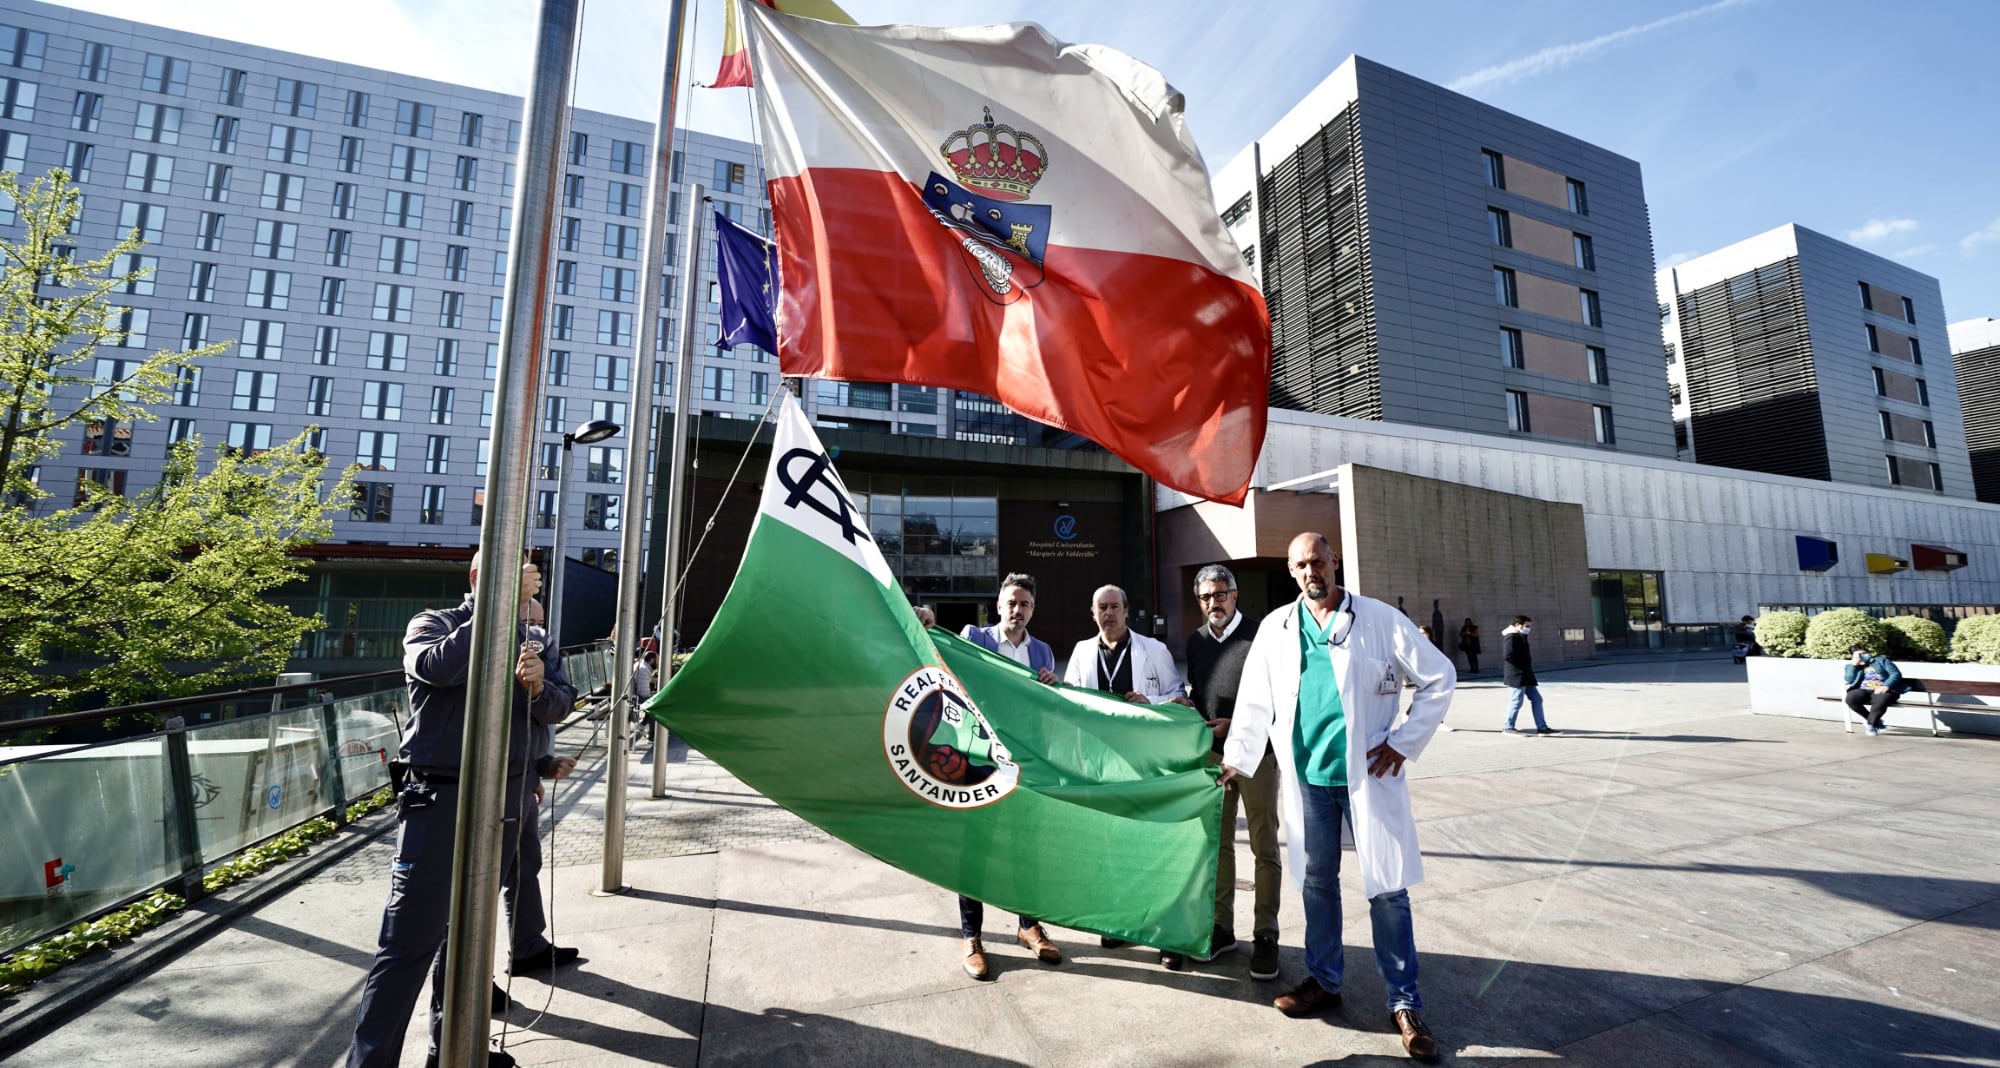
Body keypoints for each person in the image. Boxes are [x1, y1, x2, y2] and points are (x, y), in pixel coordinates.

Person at [1220, 532, 1453, 1063]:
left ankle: (1405, 1003)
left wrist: (1403, 741)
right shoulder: (1278, 626)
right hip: (1307, 778)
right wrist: (1238, 755)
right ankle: (1324, 979)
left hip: (1368, 775)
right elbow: (1255, 699)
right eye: (1300, 565)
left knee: (1388, 890)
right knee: (1318, 882)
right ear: (1291, 570)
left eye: (1318, 562)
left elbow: (1440, 676)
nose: (1311, 572)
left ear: (1334, 562)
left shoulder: (1377, 618)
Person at [346, 554, 576, 1068]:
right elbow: (437, 669)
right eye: (508, 579)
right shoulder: (435, 624)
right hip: (441, 800)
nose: (525, 591)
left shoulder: (532, 638)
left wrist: (537, 688)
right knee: (409, 942)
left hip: (508, 797)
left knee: (466, 936)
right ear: (481, 579)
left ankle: (454, 1050)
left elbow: (561, 704)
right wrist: (497, 608)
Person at [1064, 583, 1192, 968]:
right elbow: (1068, 699)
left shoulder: (1154, 650)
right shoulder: (1082, 652)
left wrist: (1148, 700)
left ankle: (1167, 935)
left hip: (1146, 763)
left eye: (1114, 606)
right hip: (1104, 765)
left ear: (1126, 610)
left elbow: (1178, 696)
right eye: (1101, 607)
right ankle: (1122, 924)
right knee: (1116, 848)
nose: (1108, 613)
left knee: (1155, 846)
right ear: (1093, 613)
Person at [953, 574, 1063, 978]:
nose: (1018, 610)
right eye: (1012, 603)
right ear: (998, 605)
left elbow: (1048, 711)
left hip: (1024, 764)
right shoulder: (974, 638)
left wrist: (1054, 688)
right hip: (978, 761)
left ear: (1033, 609)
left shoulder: (1044, 653)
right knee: (975, 850)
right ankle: (972, 937)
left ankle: (1028, 925)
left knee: (1026, 848)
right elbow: (939, 659)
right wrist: (924, 618)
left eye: (1026, 604)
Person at [1183, 564, 1281, 980]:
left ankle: (1266, 935)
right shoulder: (1196, 641)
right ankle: (1222, 927)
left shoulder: (1263, 635)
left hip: (1257, 755)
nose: (1213, 602)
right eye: (1205, 597)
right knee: (1218, 845)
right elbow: (1199, 691)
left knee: (1264, 845)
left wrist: (1236, 724)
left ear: (1235, 594)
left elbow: (1280, 695)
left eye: (1220, 594)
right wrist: (1187, 708)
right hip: (1213, 759)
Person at [500, 598, 580, 989]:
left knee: (523, 865)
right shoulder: (485, 650)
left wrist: (540, 766)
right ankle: (464, 985)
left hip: (521, 776)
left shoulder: (543, 654)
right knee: (476, 883)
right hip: (487, 785)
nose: (536, 634)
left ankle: (528, 946)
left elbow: (559, 705)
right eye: (528, 622)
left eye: (540, 624)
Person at [1502, 615, 1556, 735]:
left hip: (1526, 674)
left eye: (1529, 626)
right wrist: (1521, 665)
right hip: (1517, 674)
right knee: (1516, 701)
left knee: (1537, 699)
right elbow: (1508, 656)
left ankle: (1542, 728)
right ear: (1517, 625)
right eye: (1526, 626)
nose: (1528, 628)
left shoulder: (1521, 636)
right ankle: (1508, 727)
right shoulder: (1511, 637)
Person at [1844, 644, 1909, 735]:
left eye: (1864, 653)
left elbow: (1895, 674)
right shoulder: (1852, 666)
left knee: (1880, 699)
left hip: (1886, 690)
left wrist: (1886, 685)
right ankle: (1875, 721)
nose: (1862, 656)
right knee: (1851, 698)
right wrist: (1854, 665)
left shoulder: (1881, 660)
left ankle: (1871, 725)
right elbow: (1849, 679)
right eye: (1858, 655)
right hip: (1864, 690)